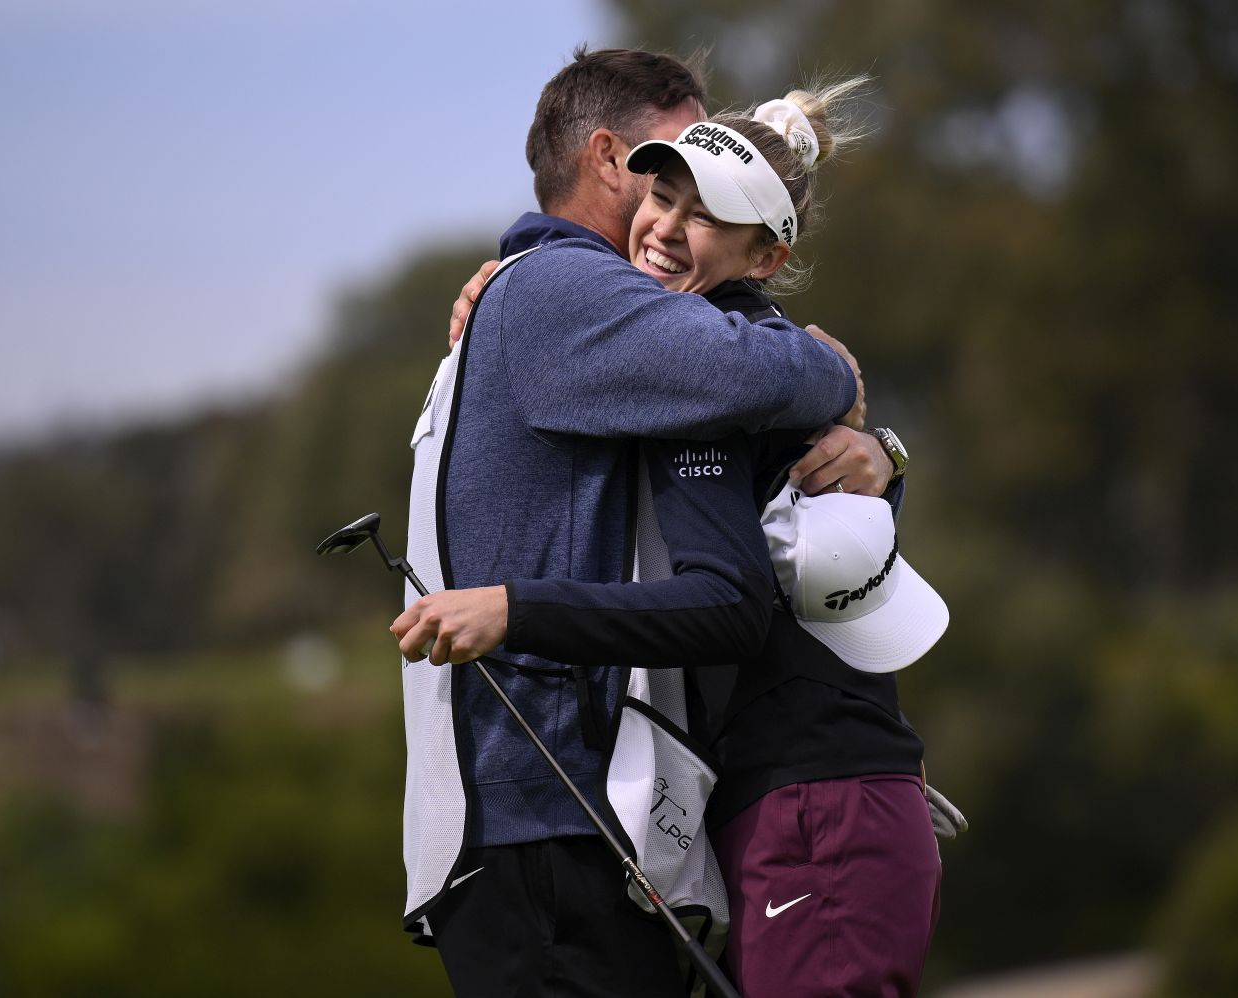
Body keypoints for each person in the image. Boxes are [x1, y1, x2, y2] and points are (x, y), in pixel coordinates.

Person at [399, 82, 949, 997]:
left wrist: (878, 449)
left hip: (773, 806)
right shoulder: (623, 318)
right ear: (615, 164)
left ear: (767, 254)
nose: (664, 225)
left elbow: (748, 586)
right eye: (664, 191)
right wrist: (837, 382)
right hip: (669, 814)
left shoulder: (703, 361)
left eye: (705, 214)